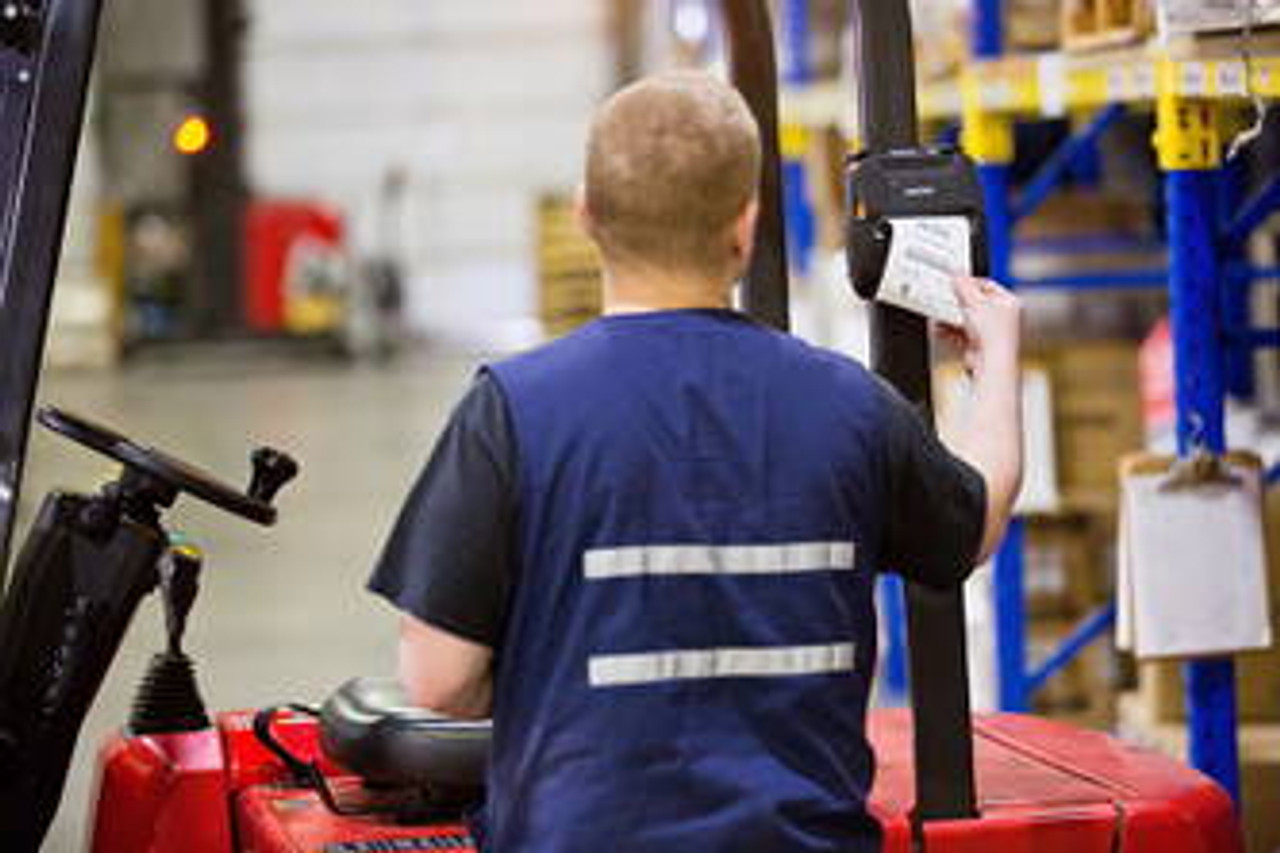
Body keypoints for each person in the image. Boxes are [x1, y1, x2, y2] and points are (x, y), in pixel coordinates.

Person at [368, 71, 1022, 853]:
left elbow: (437, 681)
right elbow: (972, 524)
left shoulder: (512, 410)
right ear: (745, 226)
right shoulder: (851, 405)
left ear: (585, 213)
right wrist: (997, 360)